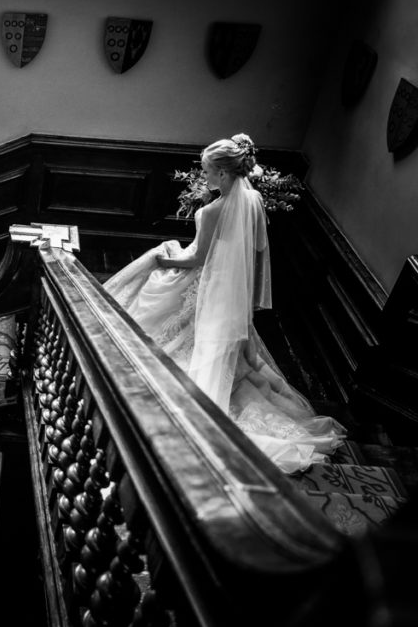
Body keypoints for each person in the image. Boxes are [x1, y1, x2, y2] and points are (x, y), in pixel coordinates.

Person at [104, 133, 345, 473]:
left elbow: (196, 259)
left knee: (155, 281)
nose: (204, 177)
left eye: (207, 171)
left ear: (223, 174)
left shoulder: (212, 210)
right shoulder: (255, 200)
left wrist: (163, 259)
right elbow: (255, 253)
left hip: (209, 283)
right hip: (231, 289)